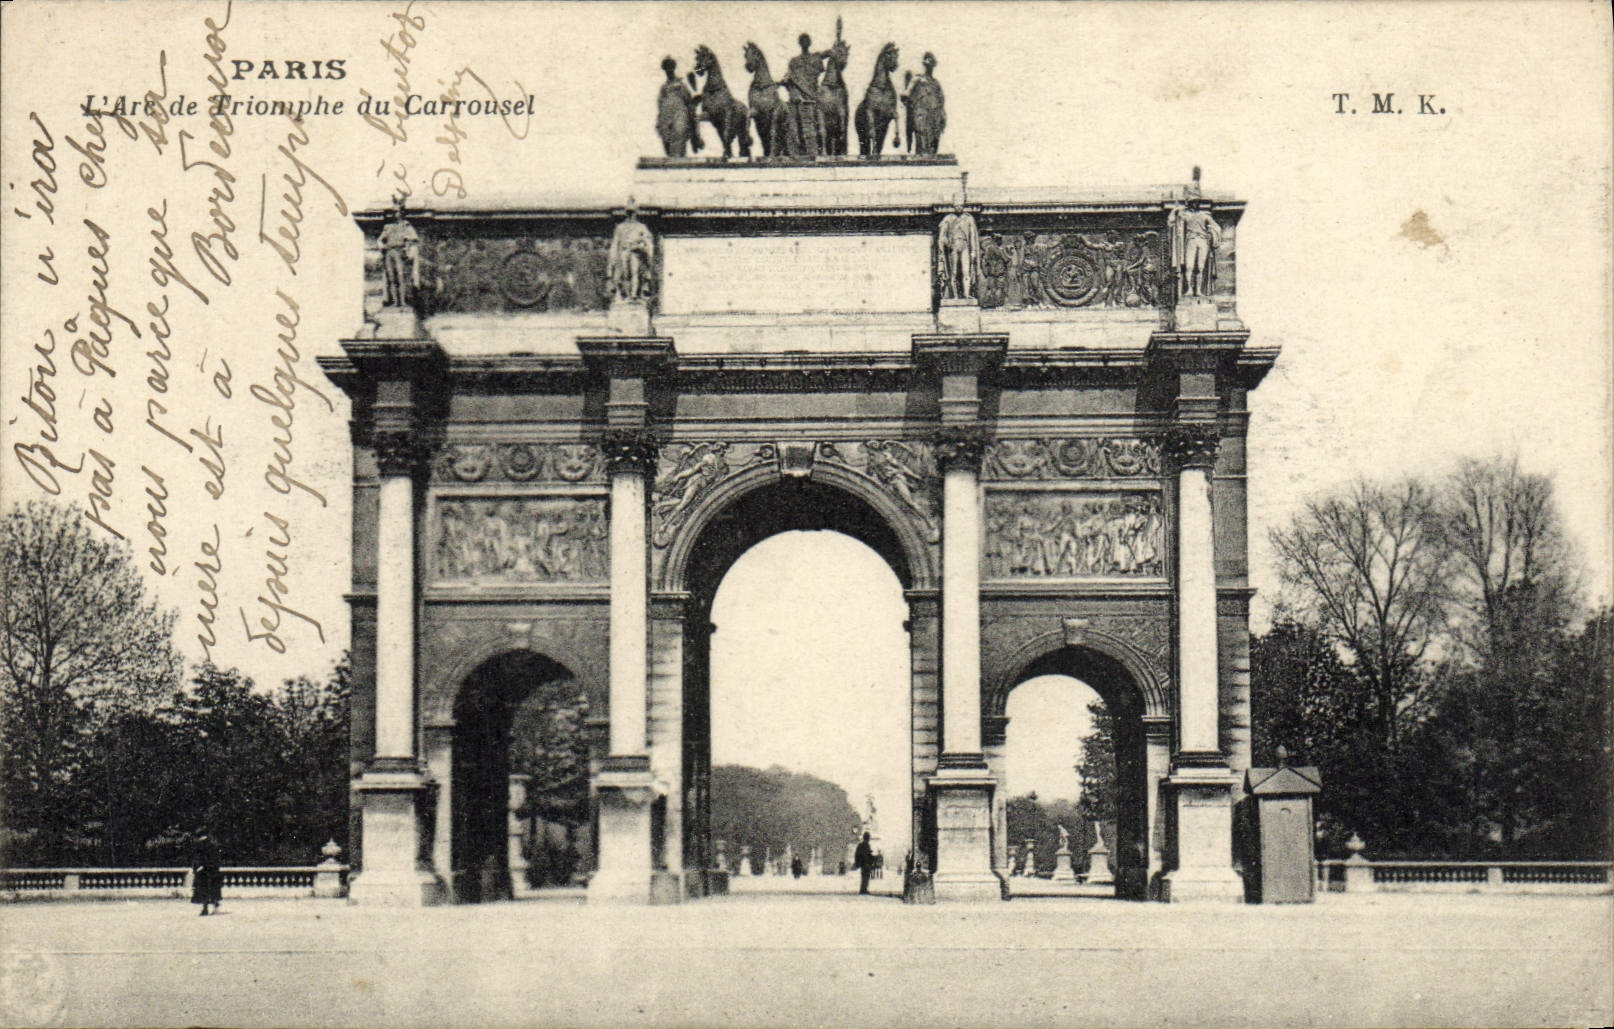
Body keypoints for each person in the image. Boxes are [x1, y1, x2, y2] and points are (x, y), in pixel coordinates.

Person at [191, 832, 222, 916]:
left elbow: (213, 860)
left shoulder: (209, 846)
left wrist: (203, 866)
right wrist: (196, 867)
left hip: (209, 872)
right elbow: (197, 859)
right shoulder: (202, 846)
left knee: (207, 890)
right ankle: (207, 907)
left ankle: (208, 907)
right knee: (206, 891)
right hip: (204, 873)